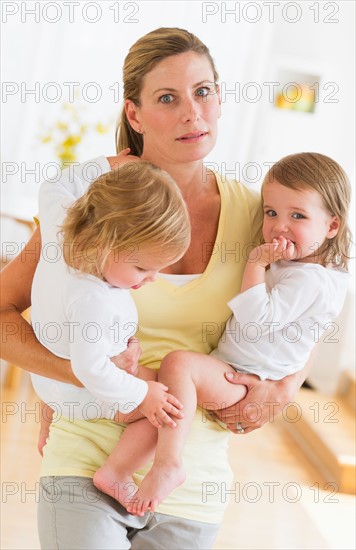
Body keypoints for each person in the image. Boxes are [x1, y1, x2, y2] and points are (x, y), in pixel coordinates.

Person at [0, 28, 321, 549]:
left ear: (220, 98)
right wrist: (82, 376)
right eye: (167, 98)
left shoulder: (261, 215)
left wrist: (284, 388)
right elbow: (3, 314)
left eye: (203, 91)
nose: (192, 113)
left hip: (193, 479)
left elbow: (311, 304)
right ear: (134, 115)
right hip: (86, 460)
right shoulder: (97, 204)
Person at [126, 151, 351, 516]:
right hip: (238, 368)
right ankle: (120, 470)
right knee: (157, 397)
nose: (280, 226)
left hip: (246, 381)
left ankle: (169, 464)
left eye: (298, 216)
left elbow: (256, 321)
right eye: (271, 212)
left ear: (331, 226)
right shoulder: (306, 267)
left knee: (176, 366)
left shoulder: (310, 279)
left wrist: (255, 263)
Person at [30, 158, 191, 505]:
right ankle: (115, 473)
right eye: (143, 268)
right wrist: (141, 394)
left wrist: (110, 164)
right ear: (105, 244)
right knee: (168, 407)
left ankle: (49, 423)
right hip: (77, 394)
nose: (152, 279)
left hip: (46, 382)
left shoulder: (62, 226)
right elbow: (89, 369)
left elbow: (55, 184)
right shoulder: (93, 299)